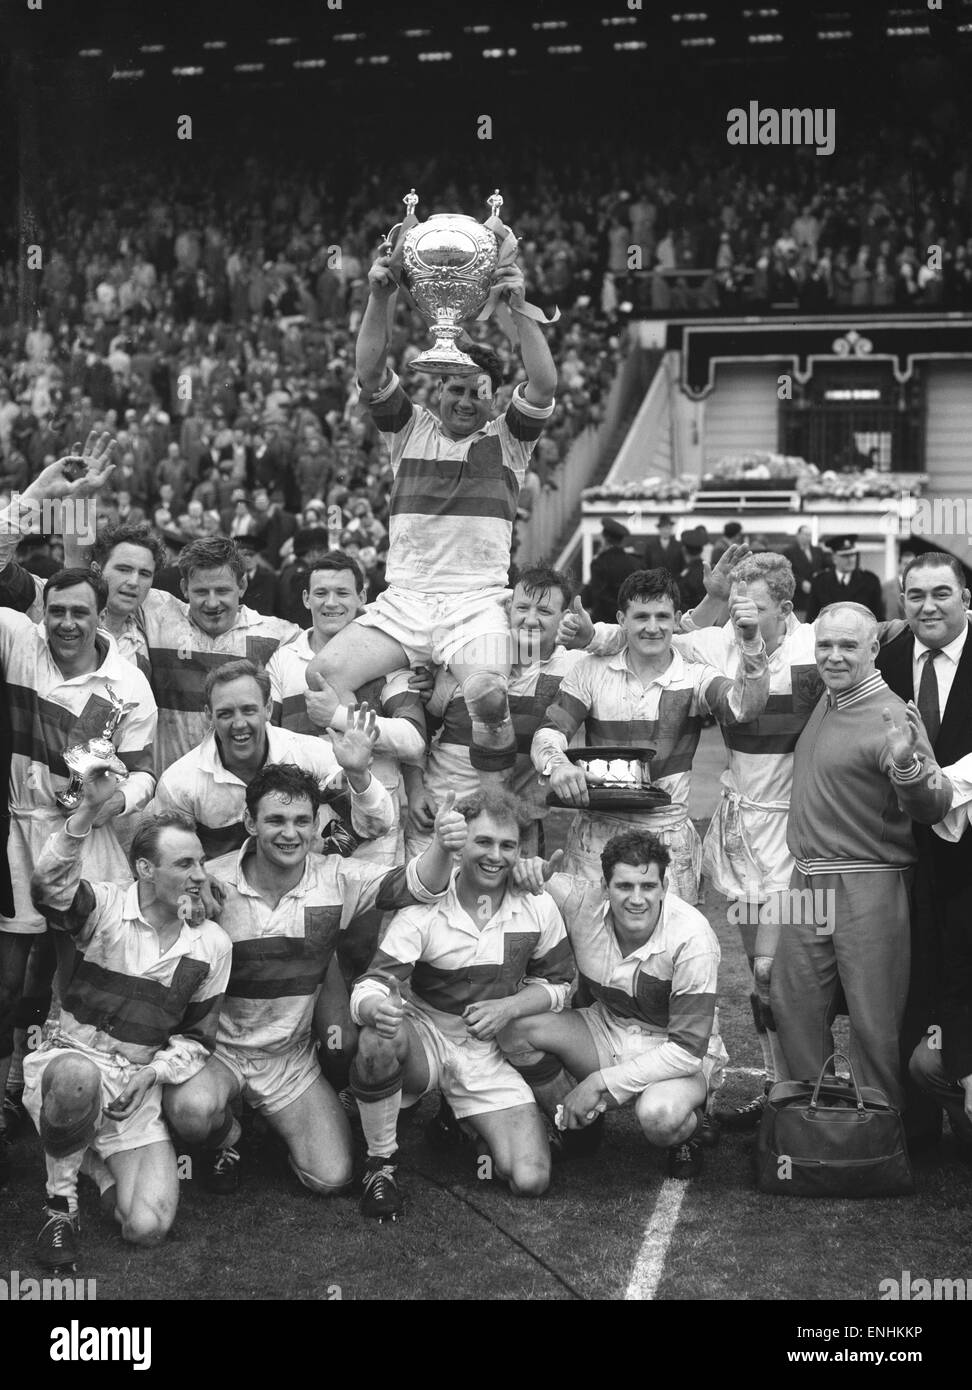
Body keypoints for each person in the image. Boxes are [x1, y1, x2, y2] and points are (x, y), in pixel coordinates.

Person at [306, 242, 558, 792]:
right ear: (437, 388)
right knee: (321, 677)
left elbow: (543, 384)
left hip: (475, 602)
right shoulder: (410, 429)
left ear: (494, 399)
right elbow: (369, 370)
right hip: (406, 601)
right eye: (456, 389)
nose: (466, 401)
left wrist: (519, 310)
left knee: (488, 695)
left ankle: (493, 802)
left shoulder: (508, 441)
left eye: (478, 393)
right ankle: (389, 747)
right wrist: (380, 295)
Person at [163, 764, 466, 1200]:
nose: (290, 833)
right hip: (220, 1051)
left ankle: (271, 1117)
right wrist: (185, 905)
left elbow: (415, 886)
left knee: (332, 1177)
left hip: (289, 1057)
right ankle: (227, 1137)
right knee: (191, 1112)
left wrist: (441, 846)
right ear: (250, 822)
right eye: (276, 820)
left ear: (315, 825)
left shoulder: (336, 878)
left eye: (302, 821)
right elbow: (149, 917)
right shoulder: (212, 880)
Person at [25, 766, 231, 1268]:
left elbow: (197, 1040)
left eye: (200, 862)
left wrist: (153, 1074)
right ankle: (60, 1206)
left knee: (146, 1228)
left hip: (134, 1090)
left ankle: (90, 1162)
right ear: (144, 869)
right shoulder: (105, 906)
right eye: (184, 864)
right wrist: (85, 816)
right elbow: (49, 893)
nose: (199, 875)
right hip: (71, 1063)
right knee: (76, 1079)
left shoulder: (212, 945)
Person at [0, 563, 157, 1186]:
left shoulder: (127, 682)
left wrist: (109, 805)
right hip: (15, 829)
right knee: (9, 980)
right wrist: (37, 496)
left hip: (84, 838)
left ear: (100, 617)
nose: (66, 623)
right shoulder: (19, 641)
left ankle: (74, 1112)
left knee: (77, 981)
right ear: (44, 611)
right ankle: (8, 1092)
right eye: (57, 611)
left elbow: (144, 771)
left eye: (79, 613)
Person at [349, 789, 574, 1220]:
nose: (496, 856)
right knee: (377, 1039)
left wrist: (508, 1007)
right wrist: (375, 1008)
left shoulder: (537, 904)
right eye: (483, 842)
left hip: (486, 1052)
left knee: (530, 1180)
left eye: (508, 846)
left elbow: (561, 983)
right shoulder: (425, 907)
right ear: (459, 845)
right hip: (428, 1039)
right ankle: (380, 1164)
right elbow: (371, 983)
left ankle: (461, 1118)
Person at [771, 603, 952, 1112]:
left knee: (875, 1023)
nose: (833, 655)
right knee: (793, 1003)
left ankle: (877, 1138)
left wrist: (910, 765)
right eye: (825, 645)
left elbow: (933, 804)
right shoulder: (829, 698)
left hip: (867, 883)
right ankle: (818, 1123)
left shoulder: (891, 714)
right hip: (806, 879)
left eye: (848, 646)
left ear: (874, 650)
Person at [531, 568, 769, 901]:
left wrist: (751, 642)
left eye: (662, 616)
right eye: (641, 616)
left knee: (666, 950)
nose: (653, 627)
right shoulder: (590, 669)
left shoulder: (695, 676)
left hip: (667, 838)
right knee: (588, 947)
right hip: (597, 832)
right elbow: (550, 732)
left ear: (676, 620)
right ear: (621, 619)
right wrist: (557, 765)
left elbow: (744, 708)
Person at [507, 830, 727, 1179]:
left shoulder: (693, 937)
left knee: (661, 1116)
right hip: (608, 1029)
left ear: (665, 887)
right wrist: (524, 868)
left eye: (648, 887)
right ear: (604, 886)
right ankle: (577, 1126)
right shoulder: (582, 901)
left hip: (675, 1049)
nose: (637, 899)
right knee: (515, 1030)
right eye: (624, 886)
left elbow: (687, 1050)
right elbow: (516, 874)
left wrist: (599, 1083)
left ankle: (694, 1124)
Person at [876, 552, 972, 1151]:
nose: (928, 606)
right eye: (915, 595)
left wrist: (939, 785)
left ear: (967, 597)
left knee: (962, 975)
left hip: (969, 845)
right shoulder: (884, 660)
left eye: (942, 593)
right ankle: (913, 1126)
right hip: (903, 855)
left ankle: (959, 1103)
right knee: (909, 978)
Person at [406, 565, 599, 859]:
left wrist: (591, 635)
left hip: (514, 829)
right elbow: (417, 736)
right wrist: (415, 790)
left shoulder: (574, 669)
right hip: (441, 816)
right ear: (508, 608)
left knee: (515, 905)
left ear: (564, 617)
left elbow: (631, 645)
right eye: (523, 607)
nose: (530, 619)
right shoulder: (467, 662)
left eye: (545, 611)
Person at [268, 552, 426, 869]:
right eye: (321, 593)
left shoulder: (389, 660)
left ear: (362, 597)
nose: (331, 603)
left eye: (342, 593)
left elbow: (414, 741)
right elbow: (271, 740)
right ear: (305, 598)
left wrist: (339, 717)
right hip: (303, 826)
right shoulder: (284, 660)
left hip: (374, 830)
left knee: (372, 915)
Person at [151, 660, 394, 859]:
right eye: (225, 713)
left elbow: (377, 825)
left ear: (268, 708)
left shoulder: (310, 754)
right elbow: (170, 860)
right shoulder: (179, 783)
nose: (239, 724)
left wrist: (358, 775)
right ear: (208, 716)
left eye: (249, 710)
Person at [806, 534, 884, 621]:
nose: (850, 559)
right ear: (834, 558)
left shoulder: (870, 581)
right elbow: (811, 618)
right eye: (845, 556)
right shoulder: (820, 582)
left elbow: (879, 619)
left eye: (853, 555)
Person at [582, 519, 643, 624]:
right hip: (629, 620)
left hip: (604, 623)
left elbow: (599, 596)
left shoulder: (599, 563)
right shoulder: (634, 562)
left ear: (605, 539)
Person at [783, 524, 829, 619]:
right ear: (798, 535)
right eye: (805, 534)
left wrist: (820, 575)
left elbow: (827, 566)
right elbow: (786, 572)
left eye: (809, 535)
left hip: (815, 594)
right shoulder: (789, 552)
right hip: (798, 597)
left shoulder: (818, 551)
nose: (807, 537)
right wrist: (801, 582)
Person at [677, 527, 708, 611]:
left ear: (684, 550)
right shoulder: (709, 570)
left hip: (691, 619)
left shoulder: (685, 576)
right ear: (701, 550)